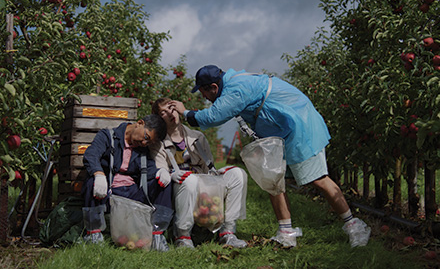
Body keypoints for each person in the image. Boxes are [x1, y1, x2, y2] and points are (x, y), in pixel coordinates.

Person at [169, 65, 371, 248]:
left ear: (213, 86)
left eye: (204, 91)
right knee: (274, 179)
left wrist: (185, 112)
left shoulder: (236, 89)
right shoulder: (235, 83)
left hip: (299, 127)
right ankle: (286, 232)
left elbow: (213, 117)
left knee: (318, 179)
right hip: (281, 130)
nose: (204, 97)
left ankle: (354, 225)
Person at [150, 97, 248, 249]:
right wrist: (170, 174)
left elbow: (209, 167)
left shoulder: (197, 137)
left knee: (238, 174)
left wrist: (216, 176)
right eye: (163, 112)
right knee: (189, 180)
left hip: (203, 183)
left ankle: (228, 233)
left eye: (172, 108)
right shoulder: (159, 142)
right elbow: (160, 169)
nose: (170, 113)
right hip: (180, 187)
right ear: (158, 118)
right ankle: (182, 236)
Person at [81, 114, 174, 251]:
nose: (144, 143)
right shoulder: (108, 136)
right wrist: (99, 174)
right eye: (146, 137)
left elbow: (148, 170)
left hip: (131, 194)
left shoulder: (141, 149)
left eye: (148, 143)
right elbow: (91, 155)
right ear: (140, 123)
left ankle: (157, 236)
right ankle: (93, 234)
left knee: (164, 183)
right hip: (107, 192)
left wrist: (160, 172)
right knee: (92, 182)